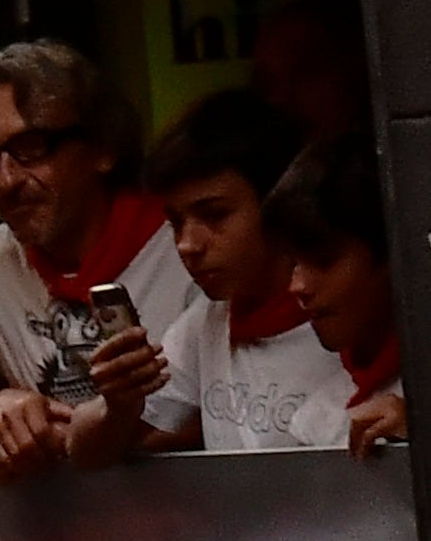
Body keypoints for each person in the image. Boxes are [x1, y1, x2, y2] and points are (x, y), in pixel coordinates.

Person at [0, 40, 192, 477]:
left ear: (102, 148)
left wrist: (56, 442)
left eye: (32, 146)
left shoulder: (186, 247)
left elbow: (219, 415)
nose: (6, 179)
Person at [145, 92, 351, 455]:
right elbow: (112, 442)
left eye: (215, 215)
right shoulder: (207, 323)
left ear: (278, 206)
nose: (187, 245)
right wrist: (115, 405)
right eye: (175, 223)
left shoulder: (344, 324)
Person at [272, 136, 407, 456]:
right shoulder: (315, 420)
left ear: (392, 256)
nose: (297, 286)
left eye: (323, 260)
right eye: (294, 263)